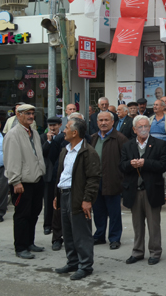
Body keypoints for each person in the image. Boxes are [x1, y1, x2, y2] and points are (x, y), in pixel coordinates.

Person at [53, 117, 101, 281]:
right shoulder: (65, 150)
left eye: (66, 128)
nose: (63, 131)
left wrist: (87, 199)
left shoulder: (88, 152)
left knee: (81, 233)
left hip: (78, 197)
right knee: (68, 232)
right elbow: (61, 175)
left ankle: (85, 266)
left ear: (75, 132)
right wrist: (56, 195)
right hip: (64, 194)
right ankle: (72, 262)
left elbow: (93, 179)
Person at [120, 115, 166, 266]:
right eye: (140, 127)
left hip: (152, 190)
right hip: (134, 190)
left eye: (146, 126)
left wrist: (145, 163)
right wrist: (130, 164)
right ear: (134, 129)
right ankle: (138, 252)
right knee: (137, 224)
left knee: (154, 224)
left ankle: (155, 252)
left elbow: (163, 165)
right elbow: (121, 166)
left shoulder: (159, 144)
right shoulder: (128, 146)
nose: (143, 129)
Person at [3, 104, 46, 259]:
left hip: (36, 179)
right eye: (27, 113)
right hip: (22, 182)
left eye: (33, 113)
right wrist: (15, 181)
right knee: (22, 215)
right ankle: (20, 247)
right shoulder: (13, 134)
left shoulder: (33, 132)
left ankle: (29, 242)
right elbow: (11, 160)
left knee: (34, 213)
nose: (31, 116)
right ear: (18, 114)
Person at [89, 111, 128, 250]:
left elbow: (125, 161)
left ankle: (114, 238)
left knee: (114, 212)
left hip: (113, 180)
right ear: (97, 122)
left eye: (106, 120)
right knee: (98, 211)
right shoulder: (93, 138)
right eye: (100, 120)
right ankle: (99, 235)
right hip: (95, 181)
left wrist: (121, 179)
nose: (103, 123)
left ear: (112, 122)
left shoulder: (120, 138)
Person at [40, 116, 65, 235]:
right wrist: (49, 141)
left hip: (61, 173)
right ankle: (47, 225)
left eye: (54, 125)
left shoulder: (65, 136)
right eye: (50, 126)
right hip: (49, 174)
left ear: (60, 125)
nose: (52, 128)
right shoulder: (43, 137)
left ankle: (61, 226)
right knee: (48, 200)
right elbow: (42, 153)